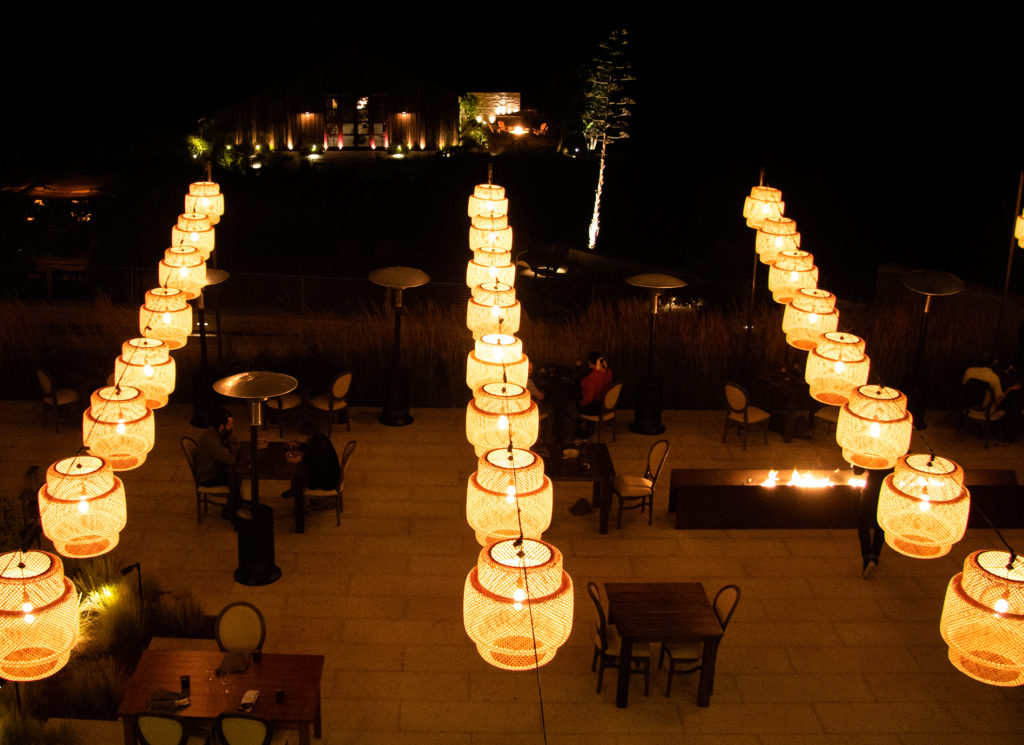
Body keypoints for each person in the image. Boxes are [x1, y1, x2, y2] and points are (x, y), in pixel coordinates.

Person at [284, 420, 340, 532]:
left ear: (308, 435)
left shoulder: (317, 445)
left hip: (327, 481)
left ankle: (301, 505)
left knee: (298, 476)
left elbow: (312, 463)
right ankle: (295, 491)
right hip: (333, 473)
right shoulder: (319, 438)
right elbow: (309, 451)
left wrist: (300, 456)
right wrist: (300, 447)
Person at [194, 408, 242, 520]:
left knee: (237, 475)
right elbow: (231, 460)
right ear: (221, 426)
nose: (232, 427)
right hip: (208, 476)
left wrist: (233, 443)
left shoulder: (218, 432)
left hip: (215, 468)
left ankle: (234, 504)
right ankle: (231, 510)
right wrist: (234, 449)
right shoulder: (211, 440)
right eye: (230, 424)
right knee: (236, 477)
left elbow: (235, 441)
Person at [578, 351, 612, 416]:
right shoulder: (609, 372)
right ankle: (589, 423)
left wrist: (580, 403)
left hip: (597, 407)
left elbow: (589, 399)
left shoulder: (591, 379)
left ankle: (583, 420)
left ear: (590, 362)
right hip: (605, 404)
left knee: (577, 401)